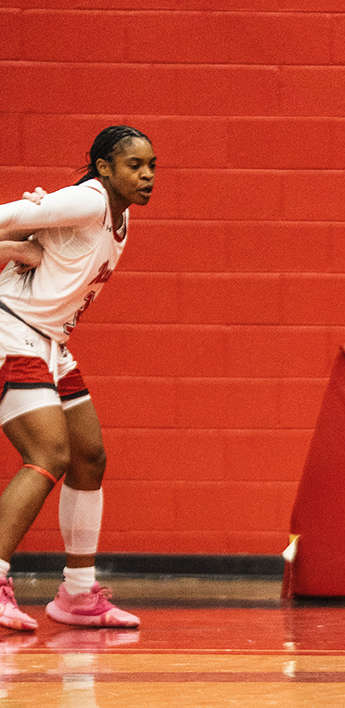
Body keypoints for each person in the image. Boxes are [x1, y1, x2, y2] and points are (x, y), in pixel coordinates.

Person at [0, 125, 156, 630]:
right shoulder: (88, 201)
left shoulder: (120, 215)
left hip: (49, 340)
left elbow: (46, 252)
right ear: (105, 168)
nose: (148, 174)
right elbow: (13, 218)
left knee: (89, 456)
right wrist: (23, 241)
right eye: (136, 165)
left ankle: (77, 595)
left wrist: (29, 251)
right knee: (48, 455)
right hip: (10, 326)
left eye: (153, 165)